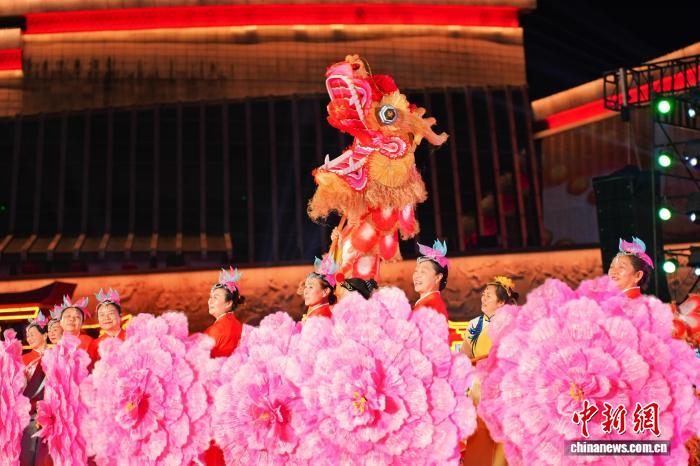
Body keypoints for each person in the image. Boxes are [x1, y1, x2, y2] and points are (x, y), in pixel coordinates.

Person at [460, 276, 519, 466]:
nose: (483, 298)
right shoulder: (474, 324)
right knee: (479, 432)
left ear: (501, 303)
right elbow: (464, 356)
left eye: (489, 295)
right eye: (483, 294)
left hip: (500, 384)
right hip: (478, 385)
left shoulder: (511, 324)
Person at [204, 267, 244, 358]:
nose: (210, 301)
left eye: (215, 297)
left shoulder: (215, 330)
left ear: (228, 303)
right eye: (210, 297)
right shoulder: (240, 327)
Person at [412, 239, 449, 320]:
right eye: (416, 271)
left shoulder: (430, 307)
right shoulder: (429, 303)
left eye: (423, 272)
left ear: (438, 277)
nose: (416, 276)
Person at [90, 288, 126, 360]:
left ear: (120, 316)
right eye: (102, 315)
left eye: (110, 313)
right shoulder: (95, 344)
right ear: (98, 319)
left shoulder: (131, 338)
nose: (106, 318)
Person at [301, 256, 339, 320]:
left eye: (310, 287)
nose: (305, 292)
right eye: (305, 287)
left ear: (325, 291)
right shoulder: (319, 313)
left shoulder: (320, 317)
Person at [22, 313, 49, 379]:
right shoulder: (23, 359)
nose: (29, 339)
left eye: (32, 335)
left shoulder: (56, 355)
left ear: (45, 335)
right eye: (28, 336)